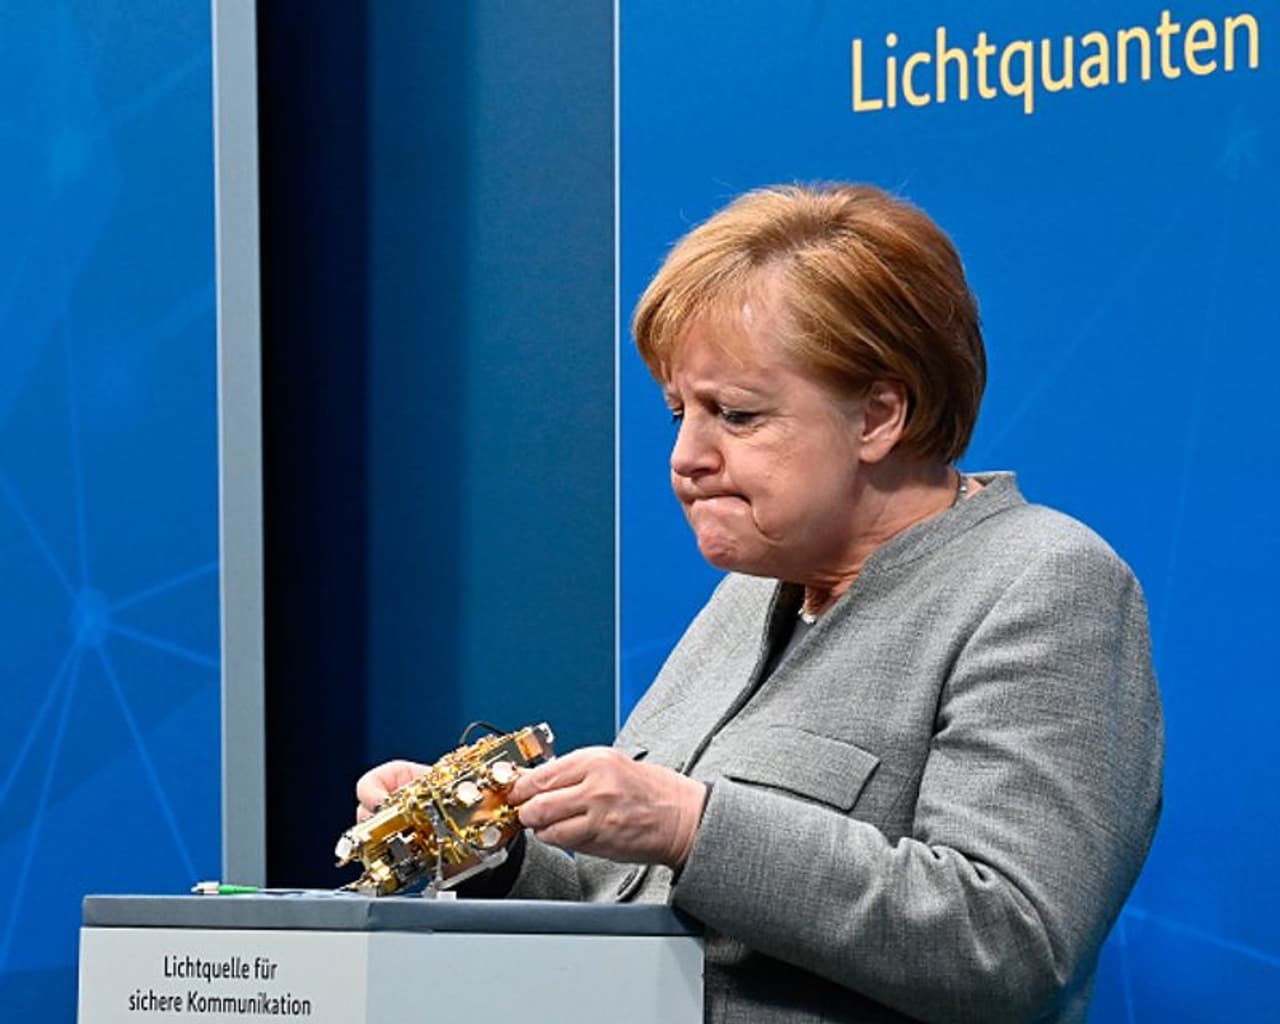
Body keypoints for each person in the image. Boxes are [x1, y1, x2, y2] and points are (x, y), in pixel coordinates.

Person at [357, 184, 1163, 1023]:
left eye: (735, 415)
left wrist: (690, 823)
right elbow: (644, 908)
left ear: (880, 415)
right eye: (679, 411)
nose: (685, 457)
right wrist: (495, 848)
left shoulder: (1043, 582)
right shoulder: (750, 595)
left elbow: (1012, 945)